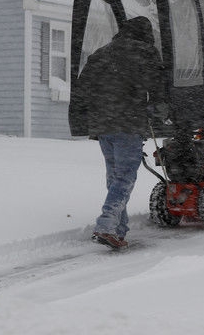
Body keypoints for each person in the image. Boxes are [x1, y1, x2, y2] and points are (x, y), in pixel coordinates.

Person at [72, 16, 166, 250]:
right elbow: (157, 88)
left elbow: (82, 88)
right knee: (125, 177)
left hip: (102, 125)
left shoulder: (101, 53)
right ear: (146, 35)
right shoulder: (145, 53)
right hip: (128, 123)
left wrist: (87, 115)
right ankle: (105, 225)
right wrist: (158, 112)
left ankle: (118, 231)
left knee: (115, 178)